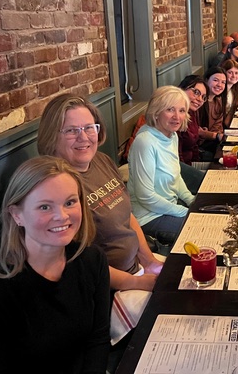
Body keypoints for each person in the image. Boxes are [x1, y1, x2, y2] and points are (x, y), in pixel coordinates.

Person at [0, 156, 110, 373]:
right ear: (16, 215)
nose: (62, 216)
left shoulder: (92, 260)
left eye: (70, 202)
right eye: (45, 207)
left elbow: (98, 339)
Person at [38, 94, 162, 291]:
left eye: (89, 127)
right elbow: (77, 260)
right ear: (52, 136)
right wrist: (136, 282)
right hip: (106, 287)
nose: (83, 137)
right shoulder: (55, 184)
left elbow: (127, 217)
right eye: (71, 130)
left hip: (136, 268)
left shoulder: (101, 161)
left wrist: (149, 261)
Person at [127, 86, 195, 247]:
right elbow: (145, 196)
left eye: (181, 110)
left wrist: (191, 200)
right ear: (156, 112)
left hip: (169, 207)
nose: (177, 117)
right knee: (202, 229)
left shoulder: (172, 136)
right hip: (148, 217)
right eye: (170, 109)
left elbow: (176, 177)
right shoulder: (145, 142)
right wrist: (183, 211)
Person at [177, 75, 207, 165]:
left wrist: (197, 165)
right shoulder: (176, 117)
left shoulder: (192, 112)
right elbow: (178, 157)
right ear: (182, 88)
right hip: (181, 167)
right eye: (196, 92)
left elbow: (194, 146)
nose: (200, 99)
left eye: (203, 97)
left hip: (191, 163)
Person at [198, 66, 228, 156]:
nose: (219, 85)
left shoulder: (219, 102)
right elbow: (198, 132)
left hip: (211, 142)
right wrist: (214, 135)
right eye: (215, 80)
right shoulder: (198, 102)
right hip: (199, 148)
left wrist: (211, 134)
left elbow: (218, 127)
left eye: (223, 82)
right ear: (206, 80)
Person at [221, 58, 238, 127]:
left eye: (236, 73)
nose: (233, 76)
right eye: (230, 72)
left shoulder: (234, 89)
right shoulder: (220, 91)